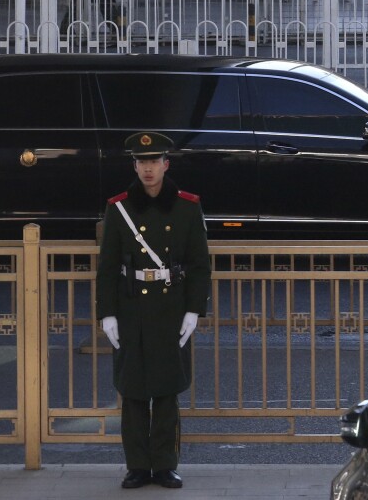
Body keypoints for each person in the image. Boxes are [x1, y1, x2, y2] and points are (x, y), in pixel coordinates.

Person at [96, 131, 211, 489]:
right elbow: (108, 266)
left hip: (169, 307)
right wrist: (107, 313)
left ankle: (164, 465)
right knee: (132, 391)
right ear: (135, 166)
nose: (148, 169)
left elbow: (199, 265)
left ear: (166, 164)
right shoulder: (119, 208)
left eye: (154, 162)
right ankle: (136, 466)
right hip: (131, 307)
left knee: (165, 389)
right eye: (142, 162)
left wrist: (194, 310)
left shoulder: (187, 206)